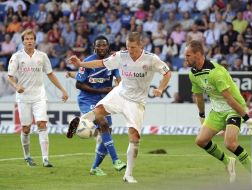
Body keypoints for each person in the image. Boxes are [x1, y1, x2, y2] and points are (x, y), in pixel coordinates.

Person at [67, 32, 171, 183]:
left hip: (136, 102)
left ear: (141, 45)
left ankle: (128, 175)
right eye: (128, 47)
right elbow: (101, 63)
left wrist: (160, 89)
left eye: (133, 47)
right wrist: (81, 64)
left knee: (134, 138)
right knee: (98, 112)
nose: (130, 50)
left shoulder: (151, 58)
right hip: (120, 93)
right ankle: (80, 122)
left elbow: (167, 73)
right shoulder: (122, 55)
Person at [185, 40, 251, 183]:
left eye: (188, 55)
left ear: (198, 54)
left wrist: (246, 118)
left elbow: (229, 99)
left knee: (230, 143)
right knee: (201, 141)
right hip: (217, 111)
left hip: (234, 108)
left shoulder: (216, 72)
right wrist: (202, 115)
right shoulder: (193, 74)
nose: (186, 58)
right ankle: (228, 162)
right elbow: (199, 96)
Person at [7, 29, 68, 167]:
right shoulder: (16, 57)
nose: (29, 41)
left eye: (31, 38)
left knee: (42, 124)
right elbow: (9, 77)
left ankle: (45, 159)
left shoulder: (42, 56)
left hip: (39, 96)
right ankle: (27, 156)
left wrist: (63, 89)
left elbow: (50, 74)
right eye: (26, 39)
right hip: (23, 97)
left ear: (35, 40)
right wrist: (16, 87)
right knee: (26, 128)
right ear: (23, 41)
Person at [66, 35, 125, 176]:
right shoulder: (87, 62)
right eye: (99, 45)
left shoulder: (112, 62)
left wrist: (119, 86)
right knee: (103, 123)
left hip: (105, 100)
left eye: (104, 45)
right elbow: (79, 84)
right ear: (94, 47)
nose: (101, 48)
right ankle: (116, 160)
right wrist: (101, 90)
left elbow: (119, 80)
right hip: (88, 99)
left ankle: (94, 168)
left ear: (108, 46)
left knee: (107, 134)